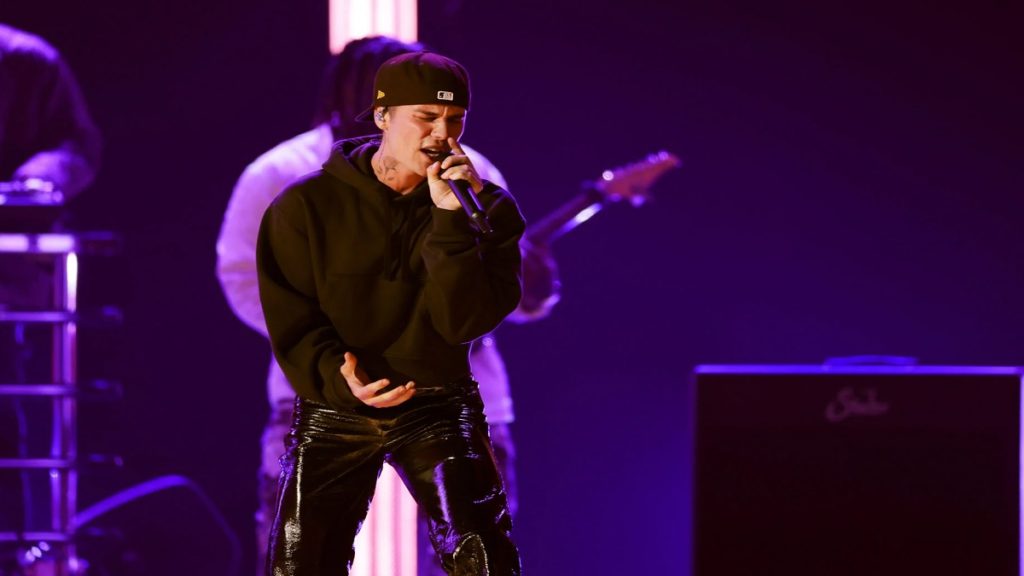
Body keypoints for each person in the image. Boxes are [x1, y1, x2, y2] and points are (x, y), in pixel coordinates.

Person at [216, 37, 557, 575]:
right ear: (380, 112)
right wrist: (333, 363)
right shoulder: (289, 182)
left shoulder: (476, 186)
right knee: (300, 557)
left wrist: (453, 223)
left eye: (453, 118)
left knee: (482, 554)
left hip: (445, 395)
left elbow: (479, 307)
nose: (441, 133)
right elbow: (255, 284)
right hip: (329, 394)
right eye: (424, 115)